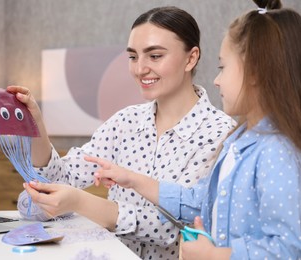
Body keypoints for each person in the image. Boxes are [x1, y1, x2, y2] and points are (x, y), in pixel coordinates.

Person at [85, 0, 301, 259]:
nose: (216, 79)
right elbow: (200, 201)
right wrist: (132, 179)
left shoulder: (276, 153)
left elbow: (291, 248)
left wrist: (216, 256)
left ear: (255, 71)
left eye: (223, 67)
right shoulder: (239, 140)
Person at [15, 6, 234, 259]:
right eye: (133, 57)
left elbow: (174, 228)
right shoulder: (124, 121)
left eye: (154, 56)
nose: (140, 69)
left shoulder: (219, 133)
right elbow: (61, 177)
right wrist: (36, 124)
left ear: (191, 58)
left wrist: (80, 202)